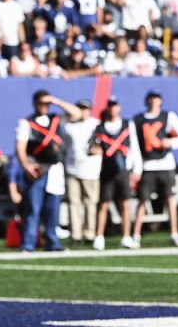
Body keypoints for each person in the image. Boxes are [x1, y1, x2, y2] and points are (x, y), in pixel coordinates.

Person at [14, 90, 72, 252]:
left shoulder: (56, 120)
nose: (44, 107)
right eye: (41, 103)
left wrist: (56, 100)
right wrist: (26, 165)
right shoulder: (26, 122)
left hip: (54, 168)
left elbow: (77, 114)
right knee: (33, 207)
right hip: (38, 168)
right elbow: (20, 146)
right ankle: (28, 243)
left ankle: (52, 242)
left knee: (53, 208)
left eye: (47, 104)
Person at [131, 90, 178, 247]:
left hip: (166, 164)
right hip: (147, 165)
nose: (153, 102)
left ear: (160, 101)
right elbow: (135, 146)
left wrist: (170, 142)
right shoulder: (138, 120)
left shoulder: (168, 116)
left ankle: (174, 233)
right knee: (142, 200)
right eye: (150, 99)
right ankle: (135, 235)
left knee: (170, 199)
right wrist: (137, 168)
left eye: (156, 99)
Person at [90, 96, 142, 250]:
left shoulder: (127, 124)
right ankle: (99, 236)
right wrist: (95, 150)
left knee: (124, 203)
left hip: (123, 170)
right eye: (110, 106)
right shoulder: (100, 128)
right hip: (107, 169)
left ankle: (126, 236)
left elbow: (134, 147)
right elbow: (91, 145)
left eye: (115, 106)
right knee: (104, 203)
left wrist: (136, 169)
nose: (113, 109)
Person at [62, 98, 102, 246]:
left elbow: (104, 143)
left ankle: (90, 233)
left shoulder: (95, 124)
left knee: (90, 203)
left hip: (91, 170)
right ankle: (75, 234)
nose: (82, 112)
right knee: (73, 203)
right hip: (72, 168)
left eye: (85, 109)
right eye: (80, 109)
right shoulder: (68, 126)